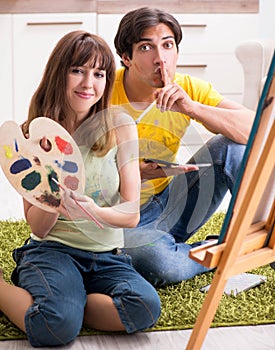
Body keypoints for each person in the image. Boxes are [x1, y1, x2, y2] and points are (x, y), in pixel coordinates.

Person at [0, 30, 160, 347]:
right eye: (78, 70)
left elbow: (131, 214)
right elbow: (39, 229)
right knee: (53, 328)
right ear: (59, 73)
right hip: (52, 251)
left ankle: (67, 299)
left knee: (145, 307)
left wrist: (92, 210)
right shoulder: (32, 137)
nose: (89, 83)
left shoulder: (122, 126)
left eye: (99, 73)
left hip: (106, 256)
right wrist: (56, 200)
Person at [111, 7, 255, 287]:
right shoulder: (102, 92)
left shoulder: (187, 88)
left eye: (167, 45)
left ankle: (260, 241)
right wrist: (131, 173)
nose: (160, 58)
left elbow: (256, 130)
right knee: (158, 264)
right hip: (121, 223)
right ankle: (226, 250)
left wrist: (193, 108)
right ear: (126, 58)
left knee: (233, 146)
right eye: (145, 47)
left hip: (167, 204)